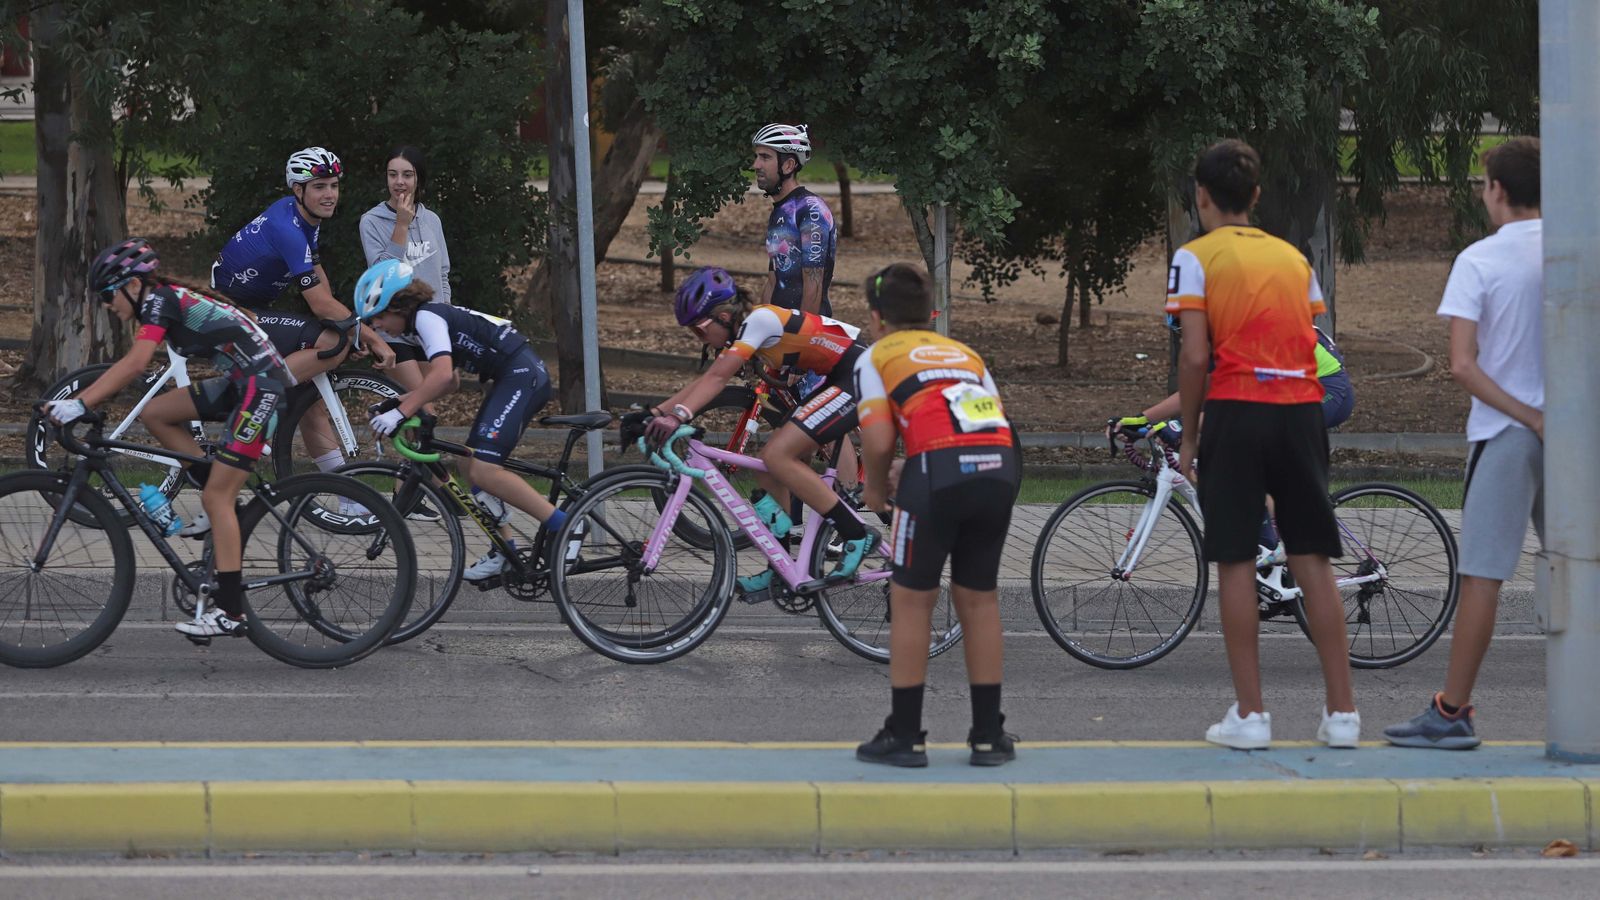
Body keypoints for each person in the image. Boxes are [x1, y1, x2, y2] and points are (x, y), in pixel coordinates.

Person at [1169, 139, 1359, 751]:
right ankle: (1343, 715)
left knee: (1236, 561)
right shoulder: (1293, 260)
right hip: (1301, 409)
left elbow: (1196, 354)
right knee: (1312, 560)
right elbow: (1306, 334)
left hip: (1236, 409)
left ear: (1201, 196)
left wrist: (1191, 437)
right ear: (1255, 195)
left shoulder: (1193, 258)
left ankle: (1250, 717)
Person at [46, 238, 292, 638]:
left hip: (260, 389)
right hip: (243, 382)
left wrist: (79, 403)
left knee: (217, 498)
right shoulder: (161, 298)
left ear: (134, 284)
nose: (108, 304)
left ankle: (231, 613)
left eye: (109, 293)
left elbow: (136, 362)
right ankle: (218, 500)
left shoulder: (159, 299)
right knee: (157, 413)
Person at [1384, 137, 1543, 751]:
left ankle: (1452, 712)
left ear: (1497, 189)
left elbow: (1462, 366)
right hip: (1572, 435)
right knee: (1583, 567)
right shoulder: (1576, 249)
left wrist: (1529, 417)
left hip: (1506, 434)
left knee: (1482, 576)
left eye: (1484, 185)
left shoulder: (1479, 260)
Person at [852, 263, 1020, 767]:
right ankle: (989, 736)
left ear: (877, 318)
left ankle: (905, 737)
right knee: (979, 600)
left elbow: (878, 440)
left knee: (912, 600)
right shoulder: (965, 354)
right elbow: (984, 420)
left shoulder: (877, 355)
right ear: (931, 314)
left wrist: (876, 492)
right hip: (998, 467)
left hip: (938, 474)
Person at [650, 266, 877, 593]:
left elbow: (717, 379)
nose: (698, 339)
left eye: (699, 331)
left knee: (777, 454)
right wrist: (655, 413)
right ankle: (780, 565)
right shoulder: (746, 331)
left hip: (857, 372)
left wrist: (677, 416)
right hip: (836, 376)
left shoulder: (759, 321)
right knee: (767, 467)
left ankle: (856, 532)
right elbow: (707, 379)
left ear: (725, 316)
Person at [357, 260, 564, 582]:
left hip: (522, 375)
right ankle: (505, 549)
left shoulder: (427, 317)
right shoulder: (424, 323)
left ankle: (565, 525)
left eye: (381, 316)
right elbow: (450, 381)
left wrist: (402, 412)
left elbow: (439, 377)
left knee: (484, 468)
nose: (380, 326)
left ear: (399, 306)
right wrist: (398, 403)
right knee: (467, 462)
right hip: (512, 376)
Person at [211, 146, 395, 481]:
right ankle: (253, 409)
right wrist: (366, 335)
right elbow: (319, 303)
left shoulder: (305, 217)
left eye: (334, 186)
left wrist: (349, 321)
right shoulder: (288, 229)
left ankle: (346, 493)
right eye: (320, 186)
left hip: (249, 309)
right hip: (231, 312)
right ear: (298, 190)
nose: (330, 195)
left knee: (308, 397)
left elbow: (318, 276)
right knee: (331, 344)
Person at [1113, 320, 1354, 566]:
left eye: (1187, 328)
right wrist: (1142, 420)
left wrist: (1179, 427)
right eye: (1179, 332)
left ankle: (1290, 539)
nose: (1185, 337)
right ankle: (1269, 553)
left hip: (1326, 389)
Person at [360, 145, 452, 394]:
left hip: (428, 325)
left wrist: (446, 316)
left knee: (420, 410)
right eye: (392, 174)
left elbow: (442, 273)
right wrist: (401, 224)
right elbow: (381, 273)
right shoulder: (372, 220)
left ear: (418, 178)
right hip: (393, 328)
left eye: (407, 175)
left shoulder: (431, 219)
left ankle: (387, 417)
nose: (399, 182)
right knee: (424, 406)